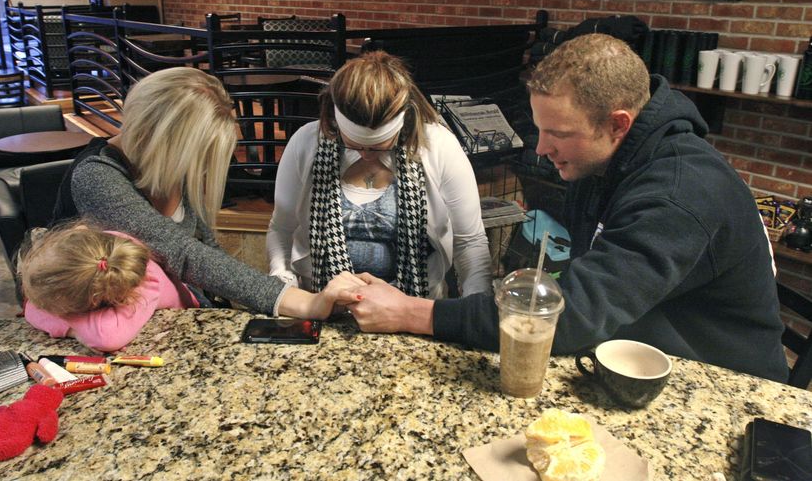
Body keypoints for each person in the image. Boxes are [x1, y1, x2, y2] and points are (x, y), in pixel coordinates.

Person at [345, 34, 790, 383]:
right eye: (539, 129)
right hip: (637, 352)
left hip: (722, 387)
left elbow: (572, 315)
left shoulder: (679, 192)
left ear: (618, 124)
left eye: (558, 133)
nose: (541, 149)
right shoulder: (599, 162)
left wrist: (410, 312)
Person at [52, 67, 361, 320]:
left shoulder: (167, 166)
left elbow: (207, 250)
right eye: (198, 157)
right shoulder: (96, 178)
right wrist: (300, 303)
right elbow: (181, 253)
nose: (200, 171)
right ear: (162, 142)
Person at [266, 51, 492, 300]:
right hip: (323, 301)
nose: (366, 156)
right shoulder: (307, 143)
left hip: (415, 305)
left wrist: (476, 303)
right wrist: (284, 281)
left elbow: (470, 242)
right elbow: (281, 228)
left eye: (379, 146)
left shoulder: (438, 147)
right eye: (353, 145)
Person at [20, 220, 199, 352]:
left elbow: (107, 338)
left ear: (91, 304)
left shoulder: (145, 287)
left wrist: (71, 327)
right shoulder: (106, 249)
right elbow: (30, 309)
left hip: (186, 327)